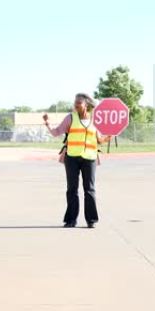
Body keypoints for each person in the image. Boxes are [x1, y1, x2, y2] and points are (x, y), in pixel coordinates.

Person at [43, 93, 111, 228]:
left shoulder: (94, 120)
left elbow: (99, 140)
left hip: (90, 158)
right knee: (72, 189)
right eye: (75, 102)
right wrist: (47, 124)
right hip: (72, 157)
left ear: (86, 105)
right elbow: (56, 132)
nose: (76, 105)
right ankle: (71, 220)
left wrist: (107, 137)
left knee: (89, 189)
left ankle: (91, 220)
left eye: (79, 102)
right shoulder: (70, 118)